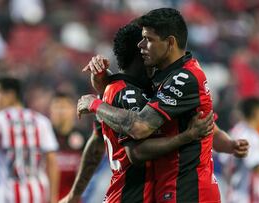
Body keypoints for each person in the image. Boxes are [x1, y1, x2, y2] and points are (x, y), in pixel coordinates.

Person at [77, 8, 233, 202]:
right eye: (142, 40)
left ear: (169, 43)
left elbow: (135, 129)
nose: (142, 45)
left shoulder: (179, 78)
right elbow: (136, 145)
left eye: (148, 39)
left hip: (187, 191)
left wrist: (95, 102)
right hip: (156, 193)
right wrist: (100, 80)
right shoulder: (146, 85)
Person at [0, 76, 60, 203]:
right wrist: (53, 198)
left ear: (10, 95)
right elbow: (52, 162)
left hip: (7, 196)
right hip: (38, 194)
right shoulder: (41, 121)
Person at [49, 92, 87, 199]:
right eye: (57, 107)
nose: (60, 112)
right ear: (50, 111)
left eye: (64, 107)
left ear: (74, 110)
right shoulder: (44, 137)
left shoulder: (84, 137)